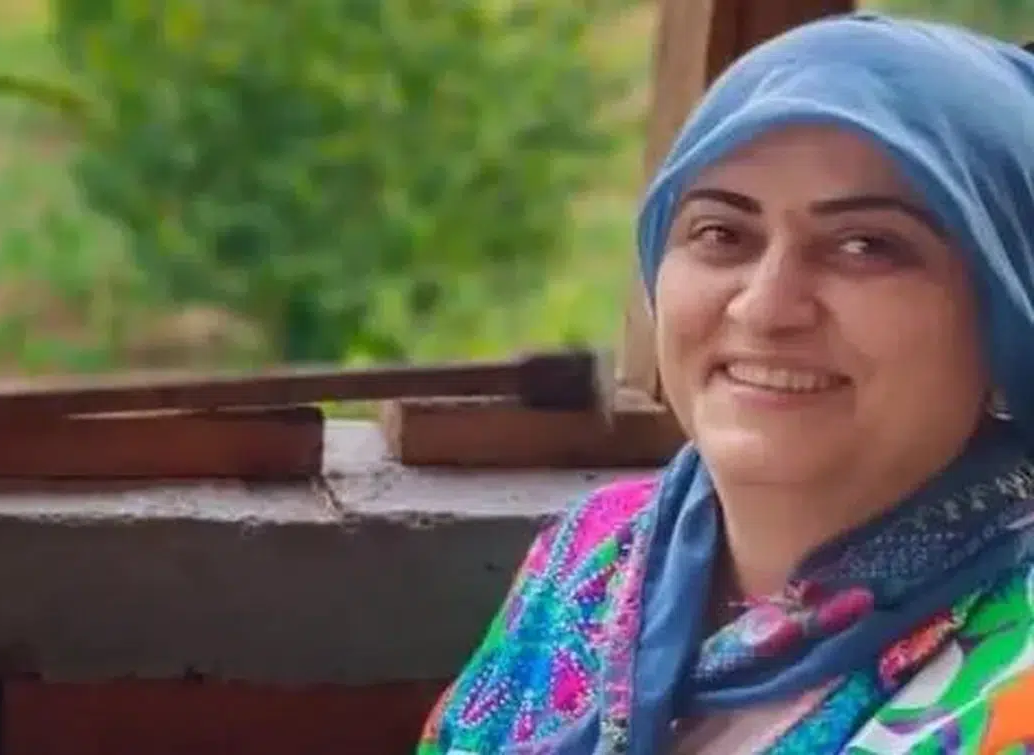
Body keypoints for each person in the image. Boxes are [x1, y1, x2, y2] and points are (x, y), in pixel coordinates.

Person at [418, 12, 1034, 755]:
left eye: (866, 245)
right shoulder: (595, 555)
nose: (766, 307)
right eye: (721, 234)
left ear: (1005, 312)